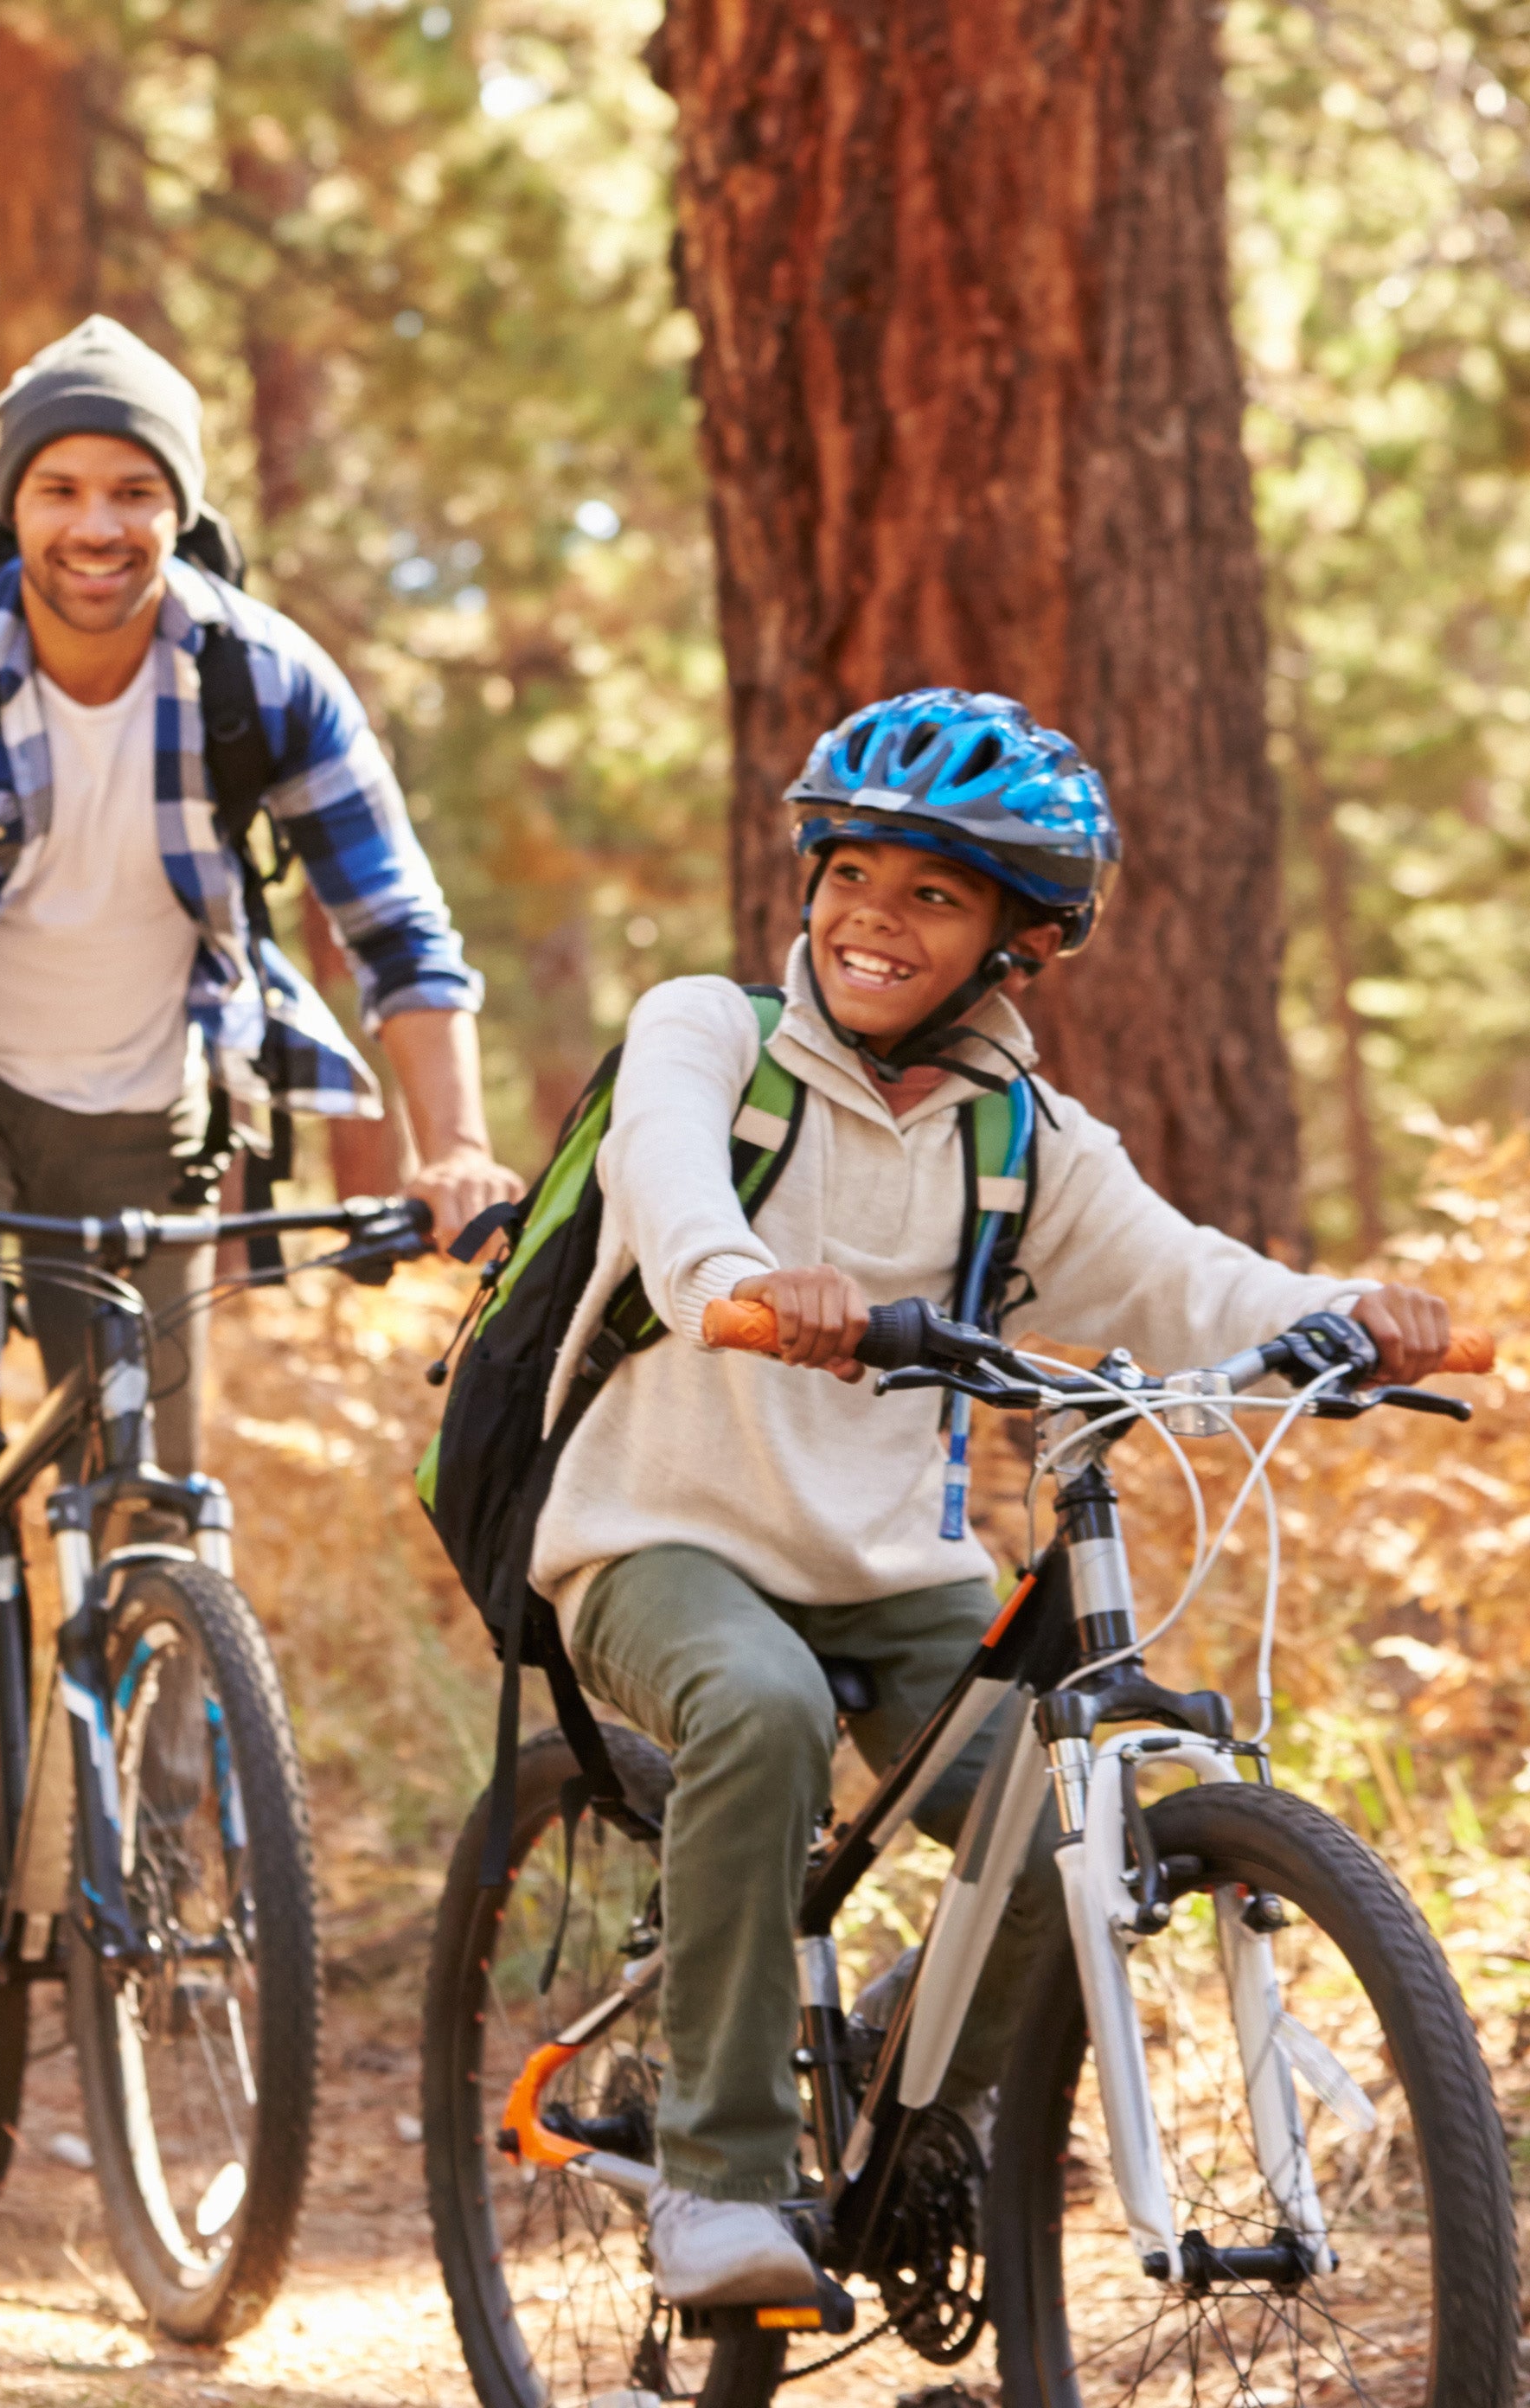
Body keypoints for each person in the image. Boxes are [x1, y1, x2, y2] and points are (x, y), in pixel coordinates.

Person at [526, 688, 1455, 2307]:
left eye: (933, 896)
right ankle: (716, 2177)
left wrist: (1350, 1313)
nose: (873, 919)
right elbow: (670, 1192)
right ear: (807, 881)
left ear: (1015, 941)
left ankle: (917, 2089)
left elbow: (1181, 1277)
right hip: (656, 1536)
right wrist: (746, 1279)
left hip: (893, 1562)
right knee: (754, 1709)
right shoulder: (712, 1036)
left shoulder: (1023, 1137)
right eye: (852, 877)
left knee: (1067, 1803)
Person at [0, 315, 520, 1900]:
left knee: (153, 1482)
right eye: (64, 487)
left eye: (134, 489)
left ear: (181, 504)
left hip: (154, 1093)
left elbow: (400, 932)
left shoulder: (261, 675)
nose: (98, 525)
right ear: (14, 502)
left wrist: (456, 1150)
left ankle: (156, 1847)